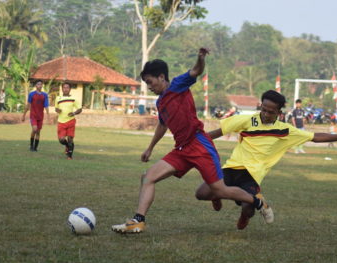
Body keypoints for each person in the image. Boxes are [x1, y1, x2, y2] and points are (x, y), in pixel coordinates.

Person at [112, 48, 272, 234]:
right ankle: (138, 221)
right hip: (181, 149)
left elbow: (196, 71)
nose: (149, 86)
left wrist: (201, 58)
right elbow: (162, 126)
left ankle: (258, 201)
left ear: (162, 77)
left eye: (150, 82)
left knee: (219, 190)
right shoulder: (160, 102)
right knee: (148, 177)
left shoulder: (177, 85)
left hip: (199, 145)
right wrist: (150, 148)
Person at [195, 90, 337, 229]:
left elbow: (316, 137)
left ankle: (241, 211)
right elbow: (216, 133)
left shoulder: (284, 130)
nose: (266, 114)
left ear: (279, 112)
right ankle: (218, 194)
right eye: (264, 109)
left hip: (253, 175)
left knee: (249, 210)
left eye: (271, 112)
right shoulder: (246, 120)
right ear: (260, 106)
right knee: (201, 194)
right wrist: (195, 142)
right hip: (232, 167)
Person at [55, 82, 82, 160]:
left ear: (70, 89)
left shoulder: (74, 98)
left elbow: (79, 109)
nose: (66, 89)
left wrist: (73, 113)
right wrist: (58, 110)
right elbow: (56, 108)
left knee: (70, 138)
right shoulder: (58, 98)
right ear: (62, 89)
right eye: (64, 87)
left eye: (67, 87)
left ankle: (69, 156)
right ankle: (67, 146)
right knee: (61, 140)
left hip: (71, 121)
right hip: (61, 122)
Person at [22, 80, 50, 152]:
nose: (39, 86)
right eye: (38, 84)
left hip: (40, 116)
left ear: (42, 85)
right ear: (36, 86)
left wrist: (48, 115)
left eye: (41, 84)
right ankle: (31, 145)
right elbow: (28, 105)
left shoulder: (45, 95)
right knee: (34, 129)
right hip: (33, 115)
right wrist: (24, 115)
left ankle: (35, 148)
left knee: (38, 132)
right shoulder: (31, 94)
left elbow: (46, 106)